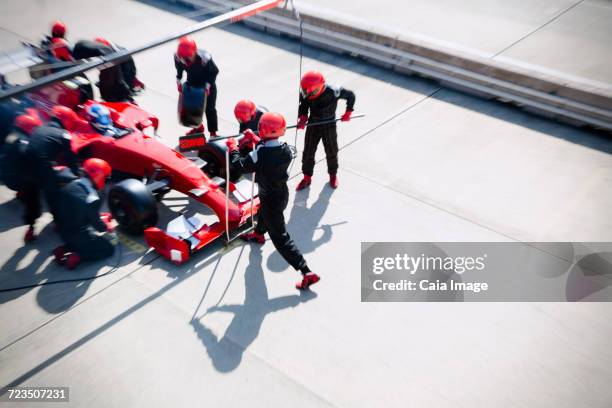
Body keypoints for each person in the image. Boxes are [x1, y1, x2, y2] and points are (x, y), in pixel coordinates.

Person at [226, 112, 320, 290]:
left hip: (269, 196)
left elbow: (239, 165)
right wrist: (254, 137)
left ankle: (306, 272)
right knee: (264, 213)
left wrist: (233, 148)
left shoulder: (260, 154)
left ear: (263, 129)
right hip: (281, 194)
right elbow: (268, 149)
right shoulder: (285, 149)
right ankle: (259, 234)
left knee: (281, 238)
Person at [295, 70, 355, 190]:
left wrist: (348, 112)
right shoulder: (306, 91)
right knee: (308, 153)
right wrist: (302, 118)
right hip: (313, 124)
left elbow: (351, 95)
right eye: (304, 91)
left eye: (309, 92)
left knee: (331, 151)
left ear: (319, 87)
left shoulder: (334, 91)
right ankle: (307, 177)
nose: (306, 94)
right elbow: (303, 106)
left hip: (329, 124)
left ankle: (333, 175)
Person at [53, 158, 115, 269]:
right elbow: (99, 228)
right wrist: (106, 225)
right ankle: (79, 257)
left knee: (78, 234)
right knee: (108, 249)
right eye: (105, 178)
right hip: (77, 234)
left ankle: (64, 248)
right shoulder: (92, 198)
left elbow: (78, 209)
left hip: (62, 230)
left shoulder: (71, 184)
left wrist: (97, 215)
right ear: (99, 176)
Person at [0, 114, 42, 242]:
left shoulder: (11, 135)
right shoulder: (23, 142)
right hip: (18, 179)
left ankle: (22, 193)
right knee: (34, 197)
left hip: (6, 177)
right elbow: (28, 158)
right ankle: (30, 229)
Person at [175, 36, 219, 137]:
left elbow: (214, 72)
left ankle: (213, 133)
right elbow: (179, 69)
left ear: (194, 52)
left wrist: (208, 86)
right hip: (192, 82)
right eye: (183, 59)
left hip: (207, 84)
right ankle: (198, 128)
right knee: (191, 107)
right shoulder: (178, 57)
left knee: (210, 109)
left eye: (188, 58)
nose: (186, 61)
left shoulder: (204, 58)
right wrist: (178, 80)